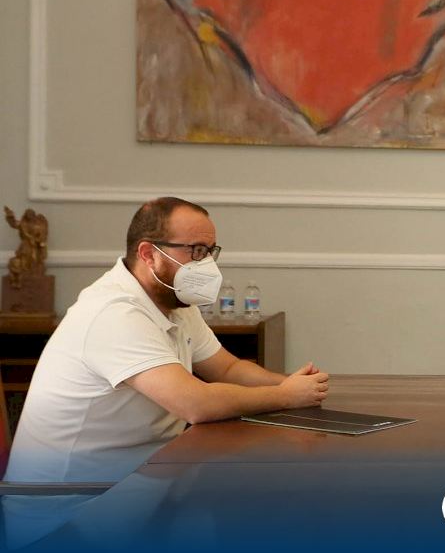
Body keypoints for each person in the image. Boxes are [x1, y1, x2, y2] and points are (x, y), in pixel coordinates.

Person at [4, 197, 329, 483]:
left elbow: (227, 369)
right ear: (149, 253)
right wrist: (284, 396)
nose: (205, 264)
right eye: (196, 251)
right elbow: (196, 404)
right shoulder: (113, 313)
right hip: (70, 506)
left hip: (139, 479)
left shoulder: (174, 302)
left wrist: (294, 384)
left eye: (210, 252)